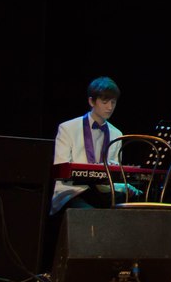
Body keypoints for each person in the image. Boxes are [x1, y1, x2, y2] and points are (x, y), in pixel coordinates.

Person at [51, 77, 126, 214]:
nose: (110, 107)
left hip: (102, 192)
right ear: (91, 101)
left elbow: (115, 173)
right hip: (73, 191)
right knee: (90, 213)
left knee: (133, 204)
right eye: (105, 102)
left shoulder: (117, 134)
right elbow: (61, 168)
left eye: (113, 102)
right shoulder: (67, 128)